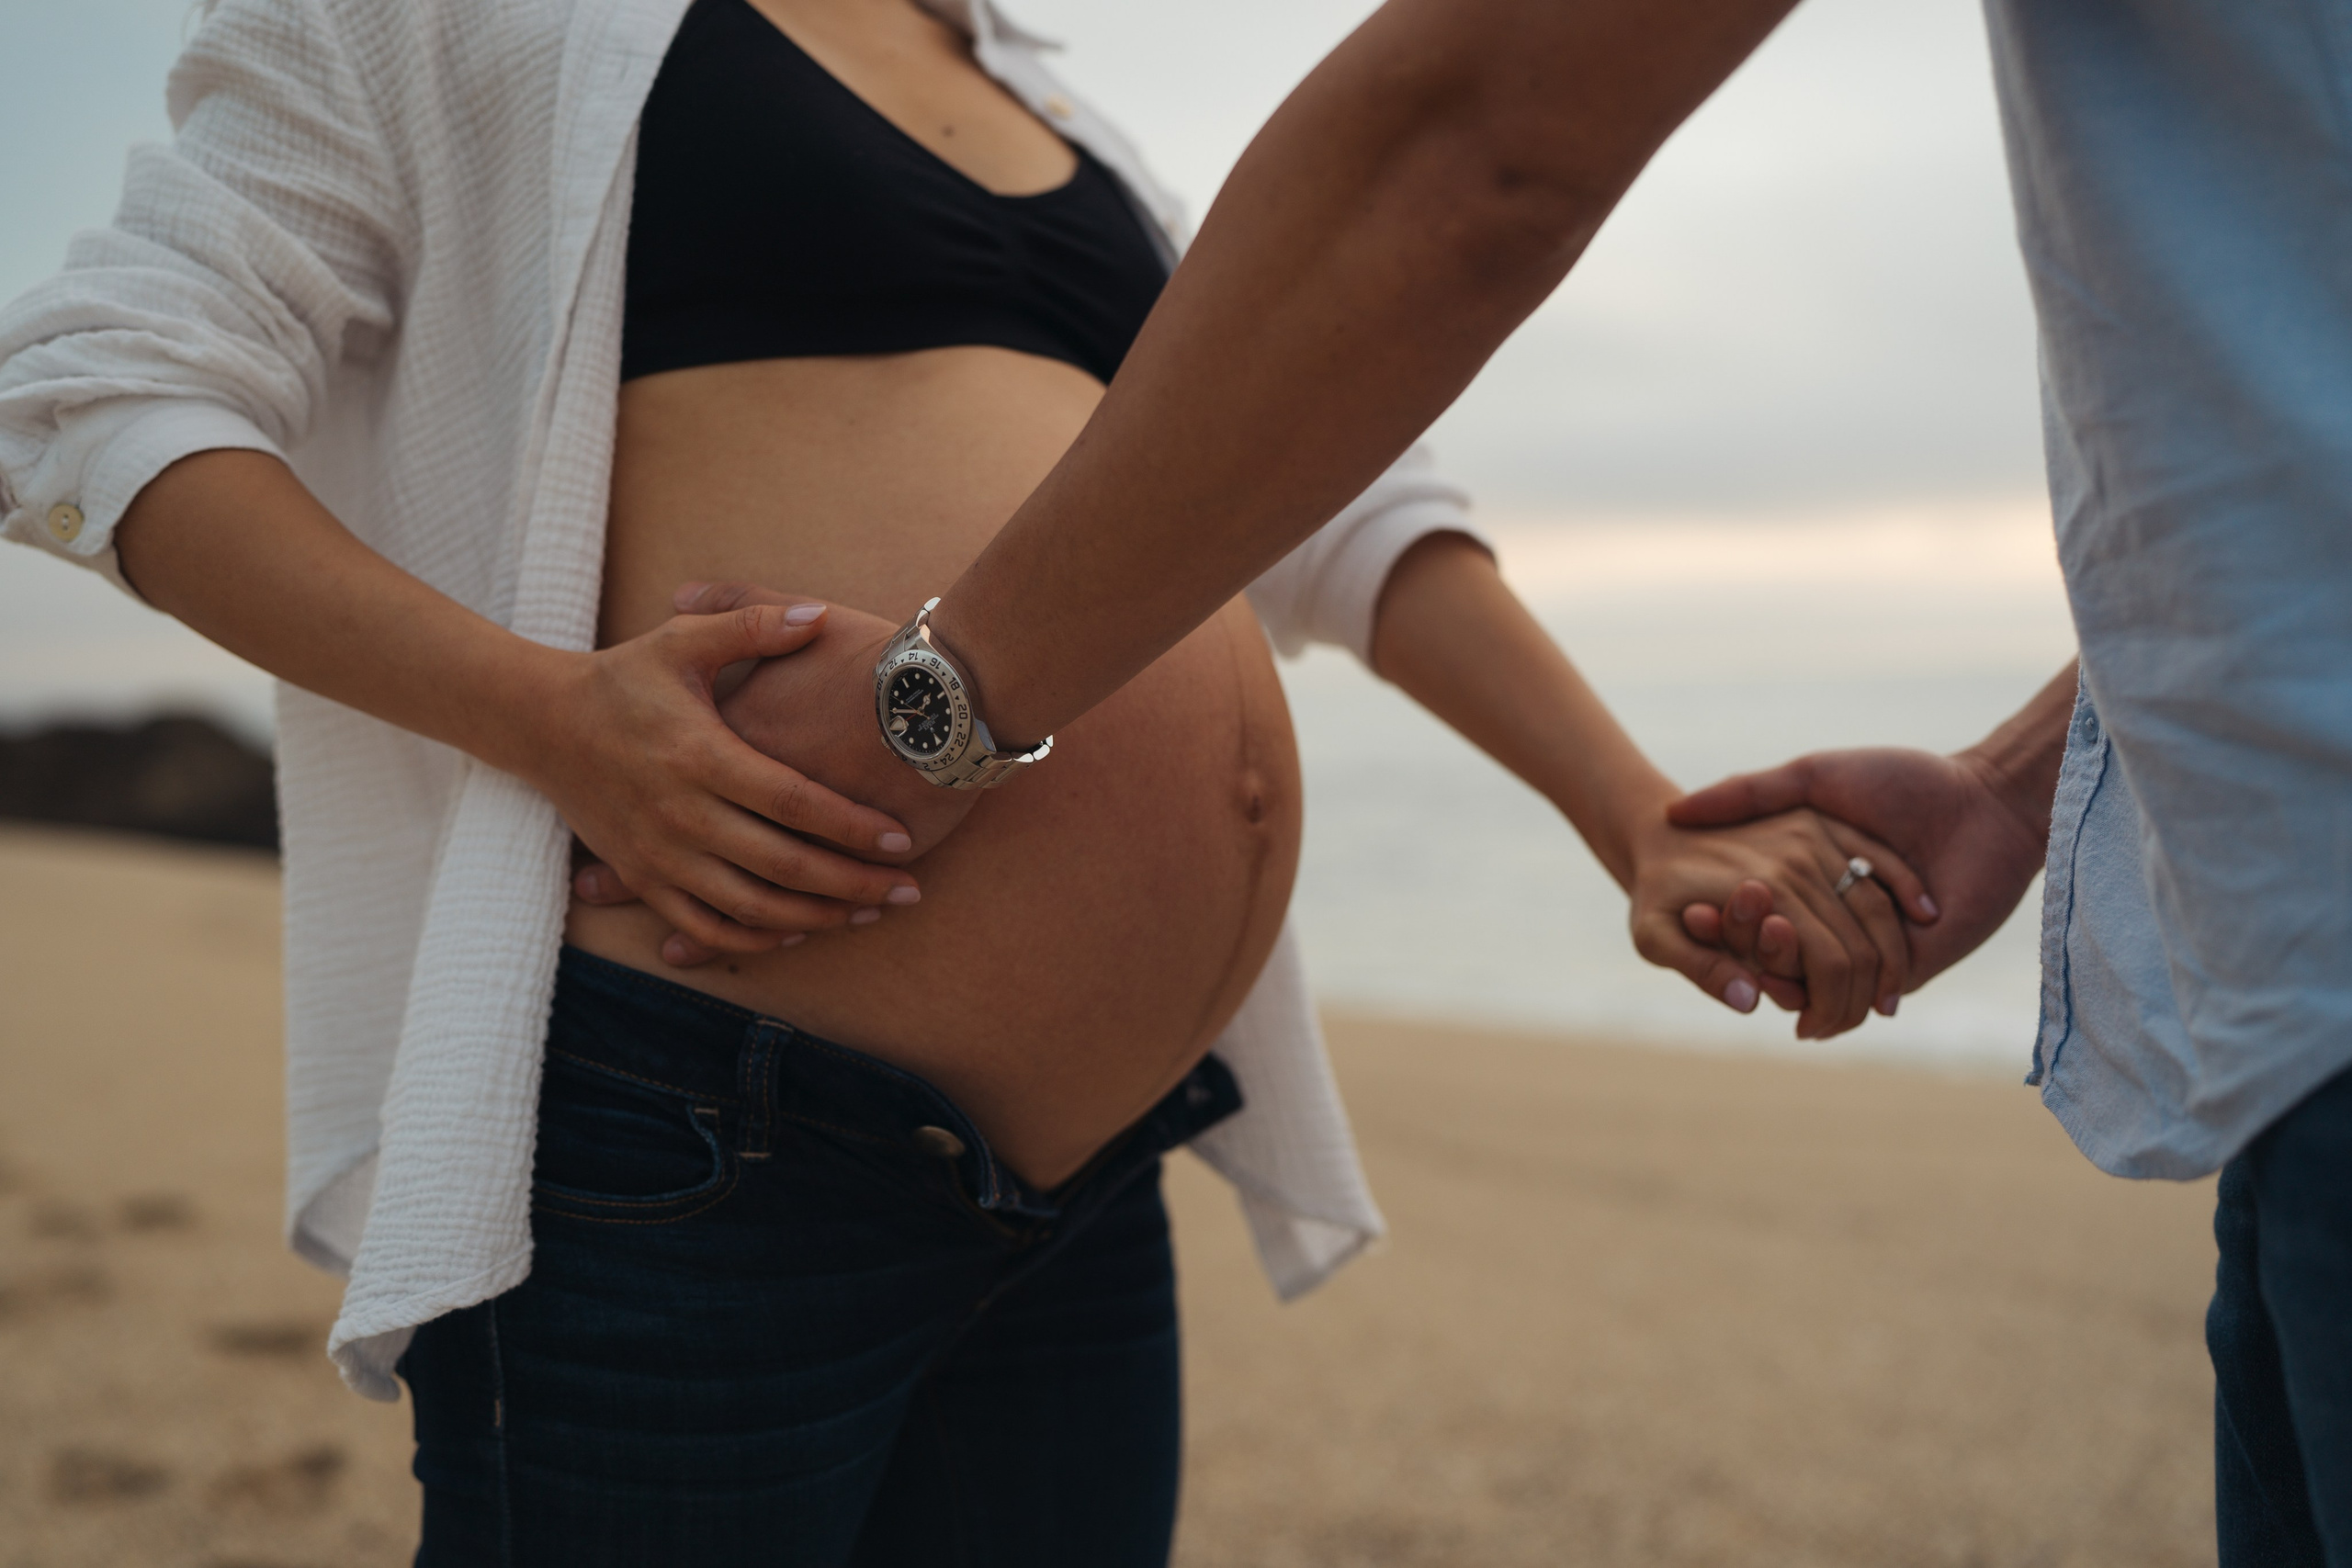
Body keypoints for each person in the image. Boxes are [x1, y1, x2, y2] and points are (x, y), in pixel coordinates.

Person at [0, 0, 1916, 1558]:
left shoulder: (1040, 91)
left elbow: (1330, 496)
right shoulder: (463, 17)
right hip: (702, 1135)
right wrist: (546, 714)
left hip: (1081, 1188)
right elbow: (90, 389)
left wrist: (1632, 809)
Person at [694, 0, 2351, 1561]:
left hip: (1075, 1171)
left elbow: (1431, 227)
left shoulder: (1043, 107)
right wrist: (2017, 780)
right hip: (718, 1082)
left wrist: (939, 708)